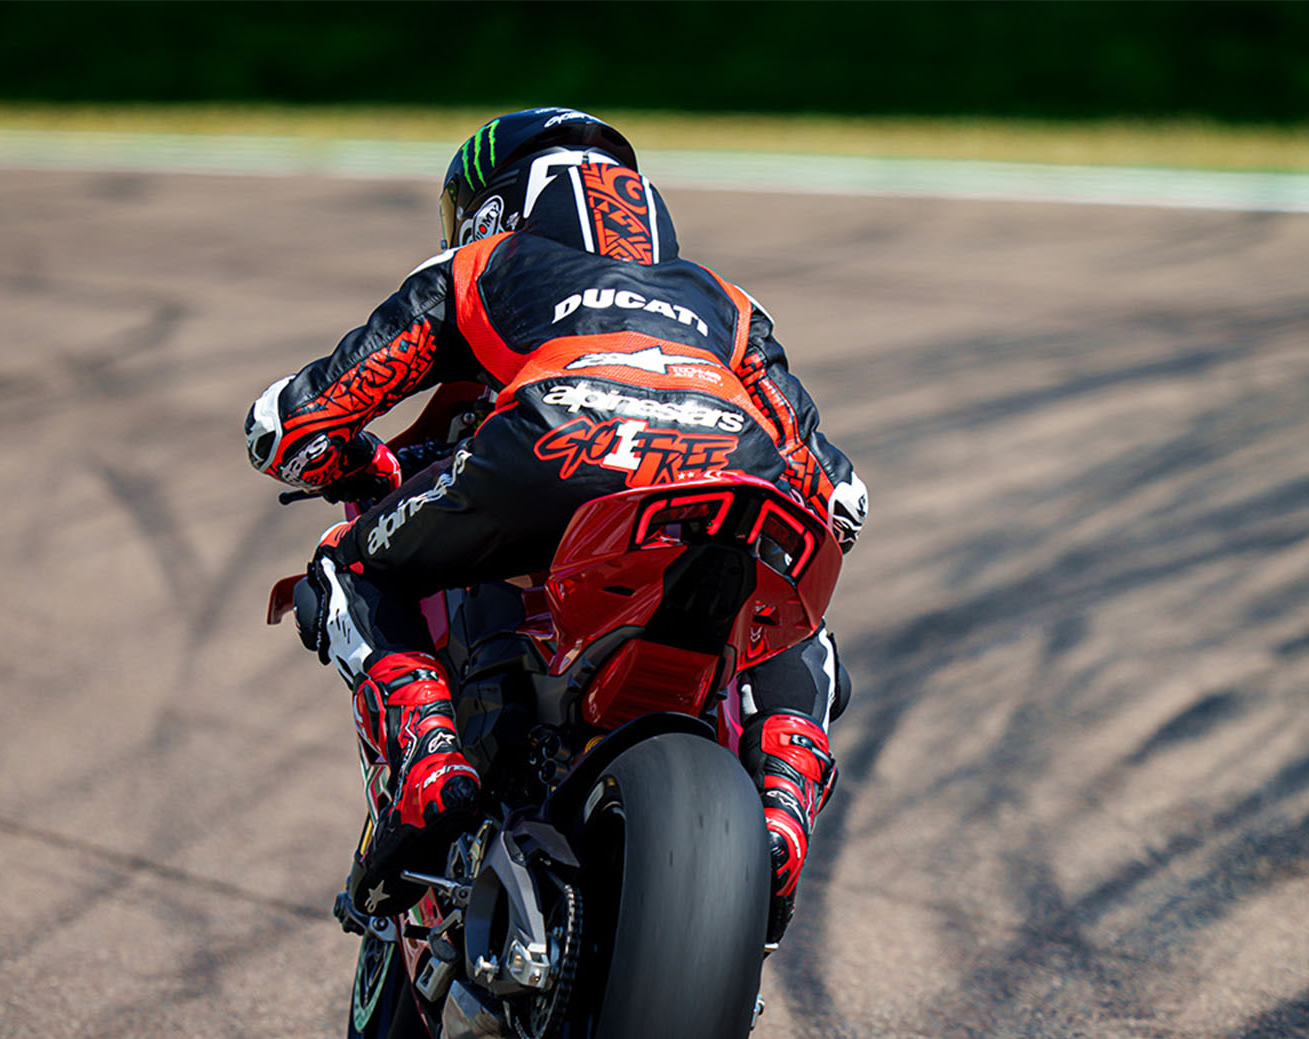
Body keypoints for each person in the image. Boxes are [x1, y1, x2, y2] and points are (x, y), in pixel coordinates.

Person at [244, 108, 867, 940]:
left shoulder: (482, 263)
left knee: (348, 568)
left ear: (492, 206)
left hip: (551, 447)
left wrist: (361, 469)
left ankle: (433, 762)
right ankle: (783, 806)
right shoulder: (729, 303)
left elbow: (288, 427)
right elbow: (841, 498)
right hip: (731, 470)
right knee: (788, 611)